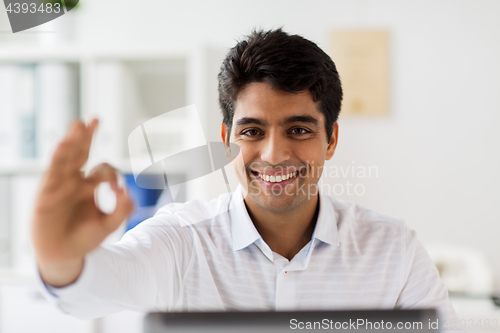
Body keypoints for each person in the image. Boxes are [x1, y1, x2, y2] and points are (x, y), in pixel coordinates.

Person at [32, 28, 459, 325]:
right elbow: (94, 287)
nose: (274, 155)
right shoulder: (181, 240)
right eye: (252, 131)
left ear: (330, 140)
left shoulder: (394, 250)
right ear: (226, 139)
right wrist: (58, 255)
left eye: (299, 129)